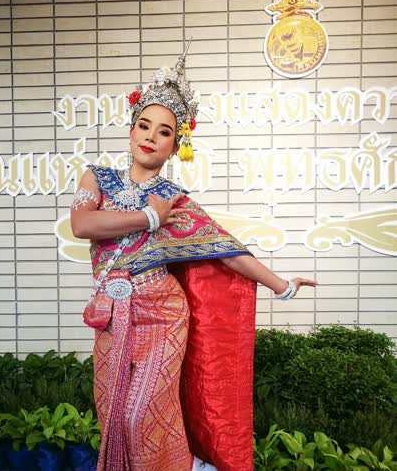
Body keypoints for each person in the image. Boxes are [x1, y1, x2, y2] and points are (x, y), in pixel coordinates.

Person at [70, 40, 318, 471]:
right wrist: (149, 217)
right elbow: (82, 225)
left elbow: (226, 249)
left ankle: (185, 466)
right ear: (131, 131)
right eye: (144, 126)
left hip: (163, 314)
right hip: (112, 312)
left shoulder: (177, 201)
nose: (151, 136)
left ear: (176, 144)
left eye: (164, 132)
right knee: (114, 413)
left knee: (144, 413)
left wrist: (282, 286)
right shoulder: (97, 178)